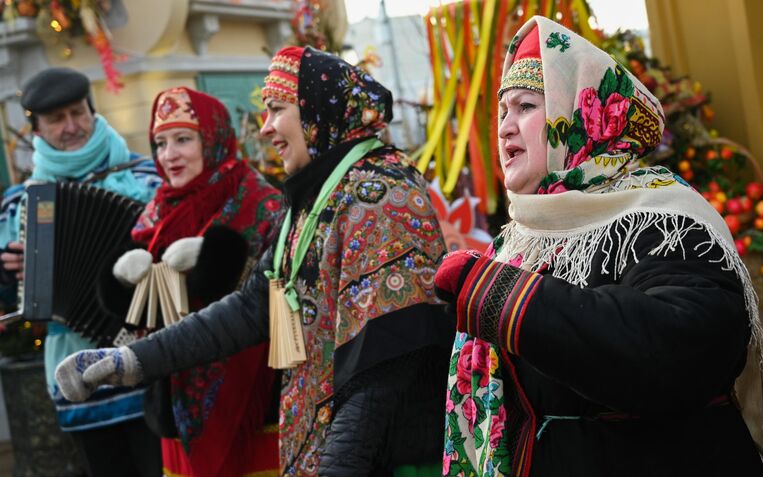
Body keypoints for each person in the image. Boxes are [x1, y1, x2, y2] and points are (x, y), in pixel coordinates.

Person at [55, 47, 454, 476]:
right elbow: (253, 307)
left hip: (388, 459)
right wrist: (133, 361)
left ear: (316, 111)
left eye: (277, 110)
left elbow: (383, 369)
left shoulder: (379, 196)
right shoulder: (319, 197)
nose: (265, 129)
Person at [434, 16, 763, 477]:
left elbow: (681, 347)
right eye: (503, 110)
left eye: (527, 107)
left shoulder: (660, 217)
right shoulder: (519, 238)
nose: (506, 127)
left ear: (577, 119)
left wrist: (509, 300)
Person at [99, 86, 284, 477]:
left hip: (257, 405)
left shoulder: (262, 201)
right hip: (176, 406)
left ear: (213, 140)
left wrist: (212, 260)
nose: (169, 155)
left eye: (183, 139)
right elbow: (139, 317)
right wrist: (123, 279)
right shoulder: (156, 212)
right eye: (160, 143)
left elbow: (268, 299)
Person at [0, 67, 163, 476]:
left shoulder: (145, 176)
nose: (71, 127)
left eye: (78, 113)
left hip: (151, 361)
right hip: (76, 376)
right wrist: (9, 274)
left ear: (93, 111)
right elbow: (9, 302)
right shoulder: (19, 203)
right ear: (36, 130)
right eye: (56, 119)